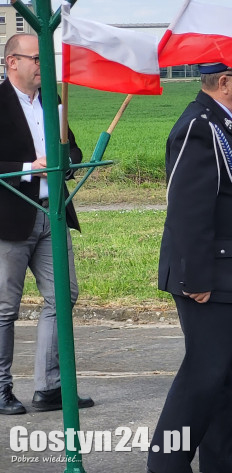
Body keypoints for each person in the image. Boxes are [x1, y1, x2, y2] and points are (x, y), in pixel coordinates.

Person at [148, 51, 232, 473]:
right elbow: (188, 211)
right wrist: (196, 277)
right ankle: (165, 464)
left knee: (226, 374)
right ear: (223, 82)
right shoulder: (197, 126)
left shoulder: (223, 123)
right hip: (209, 274)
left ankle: (226, 463)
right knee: (202, 376)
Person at [0, 33, 94, 416]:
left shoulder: (52, 101)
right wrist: (28, 168)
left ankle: (49, 387)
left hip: (52, 211)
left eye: (45, 59)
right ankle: (1, 388)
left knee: (63, 296)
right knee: (5, 308)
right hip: (10, 217)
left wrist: (65, 159)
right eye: (37, 59)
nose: (44, 66)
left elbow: (71, 149)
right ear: (12, 63)